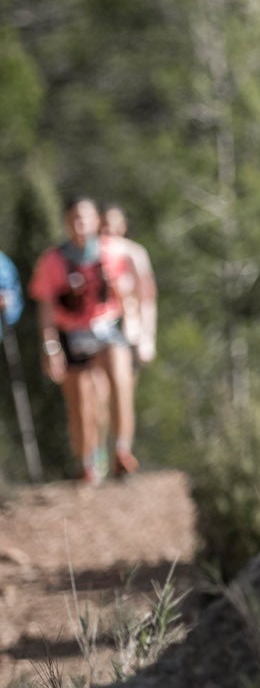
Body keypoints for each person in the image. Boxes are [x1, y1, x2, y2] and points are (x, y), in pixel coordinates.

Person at [28, 197, 140, 482]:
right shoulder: (53, 260)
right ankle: (87, 462)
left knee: (120, 379)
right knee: (80, 402)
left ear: (96, 221)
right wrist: (50, 347)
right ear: (66, 221)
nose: (81, 224)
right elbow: (46, 307)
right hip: (72, 334)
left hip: (107, 327)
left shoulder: (111, 253)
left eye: (86, 217)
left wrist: (134, 333)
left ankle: (121, 451)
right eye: (75, 218)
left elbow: (125, 295)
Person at [101, 206, 158, 367]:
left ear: (123, 225)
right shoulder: (94, 253)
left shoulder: (133, 253)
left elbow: (147, 298)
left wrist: (147, 338)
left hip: (129, 329)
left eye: (110, 223)